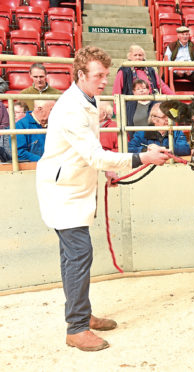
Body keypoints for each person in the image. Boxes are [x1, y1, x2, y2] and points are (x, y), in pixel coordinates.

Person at [35, 46, 170, 352]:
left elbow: (87, 150)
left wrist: (107, 171)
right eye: (98, 76)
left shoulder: (87, 99)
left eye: (105, 76)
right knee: (79, 255)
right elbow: (95, 155)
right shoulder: (71, 108)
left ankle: (81, 313)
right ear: (80, 75)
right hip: (63, 192)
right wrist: (142, 157)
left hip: (75, 186)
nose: (103, 81)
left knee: (74, 256)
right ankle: (77, 328)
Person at [164, 26, 194, 91]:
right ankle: (168, 96)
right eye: (183, 34)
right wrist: (175, 70)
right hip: (176, 70)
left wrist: (191, 70)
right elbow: (166, 61)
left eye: (187, 34)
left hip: (189, 71)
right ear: (178, 35)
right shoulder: (171, 46)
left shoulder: (193, 46)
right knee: (165, 75)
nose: (185, 36)